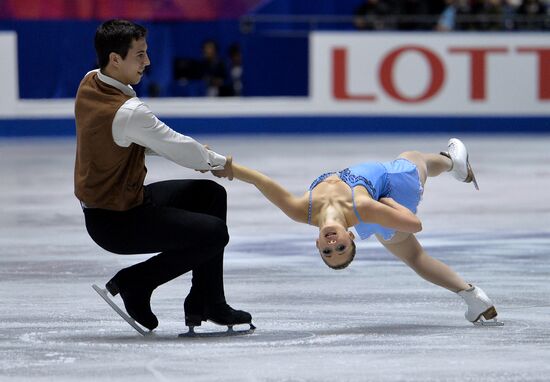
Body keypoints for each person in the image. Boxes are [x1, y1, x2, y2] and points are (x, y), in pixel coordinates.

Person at [74, 19, 251, 332]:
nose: (148, 61)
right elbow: (172, 143)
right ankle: (136, 282)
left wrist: (200, 157)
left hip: (120, 203)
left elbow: (133, 141)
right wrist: (216, 161)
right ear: (115, 59)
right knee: (214, 233)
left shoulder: (90, 82)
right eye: (139, 55)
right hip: (115, 221)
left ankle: (207, 300)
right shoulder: (128, 111)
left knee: (210, 196)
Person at [214, 138, 501, 325]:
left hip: (382, 206)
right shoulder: (362, 208)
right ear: (351, 236)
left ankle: (473, 297)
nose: (332, 245)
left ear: (317, 244)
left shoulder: (301, 210)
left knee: (414, 257)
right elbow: (415, 224)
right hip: (397, 186)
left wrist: (230, 167)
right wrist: (389, 204)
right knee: (414, 156)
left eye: (328, 252)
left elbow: (262, 182)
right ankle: (454, 164)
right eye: (341, 248)